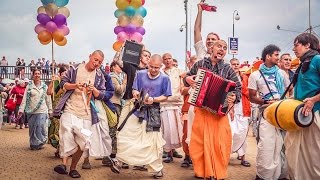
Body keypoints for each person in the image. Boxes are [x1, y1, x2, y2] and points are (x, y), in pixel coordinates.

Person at [184, 40, 241, 179]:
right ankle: (202, 171)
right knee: (199, 142)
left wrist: (234, 97)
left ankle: (217, 172)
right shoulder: (199, 64)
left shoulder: (228, 69)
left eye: (225, 48)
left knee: (221, 142)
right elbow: (186, 78)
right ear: (211, 48)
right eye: (219, 46)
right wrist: (188, 79)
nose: (222, 49)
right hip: (201, 110)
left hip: (219, 113)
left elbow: (238, 88)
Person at [114, 54, 171, 179]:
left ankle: (157, 169)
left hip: (153, 113)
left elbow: (166, 96)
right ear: (148, 64)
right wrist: (135, 93)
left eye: (156, 67)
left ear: (161, 66)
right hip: (137, 109)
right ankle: (120, 161)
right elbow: (134, 89)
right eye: (151, 66)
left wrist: (153, 99)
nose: (153, 69)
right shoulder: (140, 74)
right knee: (127, 134)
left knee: (153, 142)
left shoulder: (165, 78)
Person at [52, 50, 107, 178]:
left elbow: (102, 95)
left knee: (84, 140)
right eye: (95, 59)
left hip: (86, 114)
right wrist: (75, 85)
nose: (96, 63)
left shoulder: (99, 76)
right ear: (90, 57)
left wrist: (94, 91)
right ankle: (63, 165)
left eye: (99, 62)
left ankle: (73, 168)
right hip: (70, 109)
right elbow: (63, 84)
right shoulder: (75, 68)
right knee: (66, 132)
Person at [248, 44, 290, 180]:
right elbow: (252, 97)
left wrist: (282, 103)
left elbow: (289, 91)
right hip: (266, 114)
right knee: (266, 145)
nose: (278, 58)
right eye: (276, 55)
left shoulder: (282, 74)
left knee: (282, 145)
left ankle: (281, 175)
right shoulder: (255, 75)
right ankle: (263, 176)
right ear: (268, 56)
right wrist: (266, 102)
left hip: (282, 114)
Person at [106, 49, 151, 169]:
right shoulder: (131, 67)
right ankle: (123, 160)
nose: (147, 58)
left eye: (149, 56)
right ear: (140, 57)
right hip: (129, 103)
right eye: (145, 55)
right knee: (124, 131)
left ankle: (140, 163)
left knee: (141, 134)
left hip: (143, 106)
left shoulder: (149, 71)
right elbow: (116, 60)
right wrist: (122, 48)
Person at [285, 33, 320, 179]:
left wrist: (313, 100)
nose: (293, 49)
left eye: (296, 44)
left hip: (314, 115)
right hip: (299, 116)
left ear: (307, 45)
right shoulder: (303, 62)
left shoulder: (317, 59)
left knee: (313, 157)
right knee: (294, 153)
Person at [18, 69, 52, 150]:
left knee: (40, 126)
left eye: (38, 74)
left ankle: (40, 142)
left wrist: (50, 110)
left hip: (42, 110)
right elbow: (25, 98)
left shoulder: (44, 86)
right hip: (31, 111)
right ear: (33, 75)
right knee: (32, 128)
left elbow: (48, 99)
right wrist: (21, 110)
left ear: (40, 75)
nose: (37, 75)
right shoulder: (29, 86)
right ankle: (33, 144)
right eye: (35, 73)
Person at [161, 53, 184, 163]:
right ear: (162, 61)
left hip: (177, 104)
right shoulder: (161, 72)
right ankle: (169, 154)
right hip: (164, 104)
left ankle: (181, 153)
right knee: (168, 131)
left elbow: (185, 84)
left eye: (169, 58)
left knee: (179, 130)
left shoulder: (179, 71)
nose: (167, 60)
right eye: (165, 59)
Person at [229, 58, 251, 167]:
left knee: (243, 134)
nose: (236, 66)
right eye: (233, 64)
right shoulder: (227, 77)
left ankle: (243, 158)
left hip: (243, 108)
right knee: (230, 133)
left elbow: (249, 92)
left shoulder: (244, 78)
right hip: (230, 109)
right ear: (230, 65)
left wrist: (241, 87)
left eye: (237, 64)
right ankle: (225, 156)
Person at [180, 55, 197, 168]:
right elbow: (182, 91)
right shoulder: (186, 76)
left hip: (201, 108)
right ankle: (187, 156)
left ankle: (197, 158)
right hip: (188, 107)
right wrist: (192, 87)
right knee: (187, 132)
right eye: (194, 63)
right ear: (190, 64)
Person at [108, 61, 127, 162]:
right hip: (114, 104)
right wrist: (124, 81)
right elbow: (119, 90)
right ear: (113, 67)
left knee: (114, 129)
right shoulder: (113, 77)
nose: (121, 67)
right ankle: (111, 154)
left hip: (116, 104)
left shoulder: (115, 77)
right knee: (113, 129)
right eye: (119, 66)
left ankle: (111, 153)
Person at [47, 66, 68, 158]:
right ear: (60, 74)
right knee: (57, 130)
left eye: (67, 73)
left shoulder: (70, 83)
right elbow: (49, 92)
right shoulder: (56, 82)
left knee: (67, 130)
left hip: (67, 109)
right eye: (64, 73)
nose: (65, 75)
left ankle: (65, 149)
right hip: (57, 110)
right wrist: (52, 82)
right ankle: (59, 149)